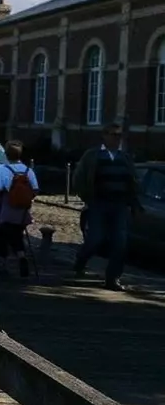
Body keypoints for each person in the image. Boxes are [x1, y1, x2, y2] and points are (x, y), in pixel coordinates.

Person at [71, 122, 143, 291]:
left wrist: (134, 202)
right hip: (99, 203)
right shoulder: (93, 155)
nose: (117, 139)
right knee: (95, 238)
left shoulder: (125, 157)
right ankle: (80, 260)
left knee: (120, 242)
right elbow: (78, 178)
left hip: (119, 205)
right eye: (113, 135)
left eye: (119, 136)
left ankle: (112, 278)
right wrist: (87, 197)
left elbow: (133, 181)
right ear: (105, 136)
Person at [0, 140, 39, 278]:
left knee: (0, 236)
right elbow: (35, 189)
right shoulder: (28, 171)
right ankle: (21, 256)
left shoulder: (3, 170)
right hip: (22, 211)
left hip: (5, 209)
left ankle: (1, 264)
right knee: (17, 234)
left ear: (6, 154)